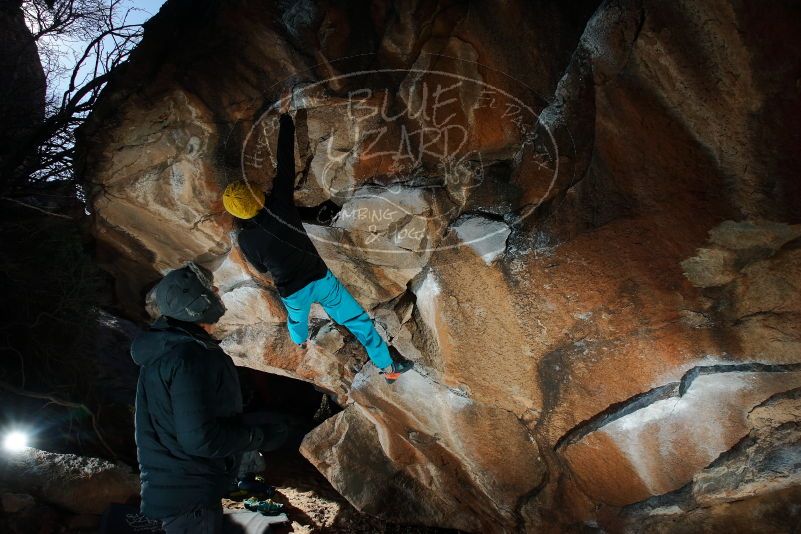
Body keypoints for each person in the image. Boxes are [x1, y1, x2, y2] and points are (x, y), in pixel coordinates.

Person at [222, 106, 412, 384]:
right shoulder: (281, 205)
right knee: (359, 322)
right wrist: (286, 120)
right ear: (256, 195)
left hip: (293, 292)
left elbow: (261, 267)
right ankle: (388, 366)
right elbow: (285, 162)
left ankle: (300, 341)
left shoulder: (246, 239)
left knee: (296, 322)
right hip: (321, 279)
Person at [132, 263, 287, 533]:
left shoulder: (165, 351)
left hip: (174, 487)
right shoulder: (190, 357)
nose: (217, 291)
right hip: (189, 496)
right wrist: (258, 436)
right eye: (210, 289)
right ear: (198, 304)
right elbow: (198, 438)